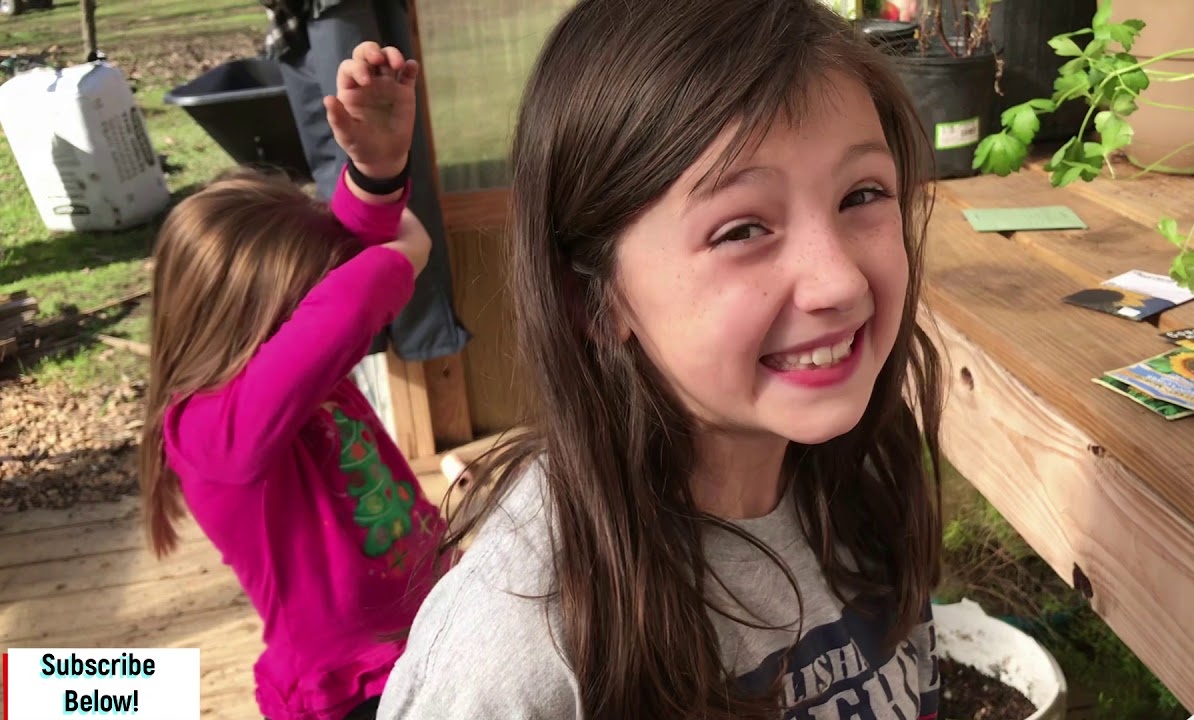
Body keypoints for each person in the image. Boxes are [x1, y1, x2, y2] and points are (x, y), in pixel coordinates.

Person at [377, 0, 947, 718]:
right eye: (742, 228)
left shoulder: (864, 472)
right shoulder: (519, 653)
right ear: (592, 299)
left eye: (862, 194)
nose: (838, 281)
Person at [139, 43, 452, 720]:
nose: (323, 300)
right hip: (355, 693)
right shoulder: (210, 433)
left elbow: (347, 263)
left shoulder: (293, 375)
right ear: (250, 313)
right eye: (305, 293)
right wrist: (406, 256)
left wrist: (376, 172)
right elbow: (347, 300)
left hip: (432, 632)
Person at [261, 0, 471, 366]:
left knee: (357, 142)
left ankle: (417, 337)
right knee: (337, 160)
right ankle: (368, 338)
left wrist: (380, 172)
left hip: (337, 7)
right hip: (297, 13)